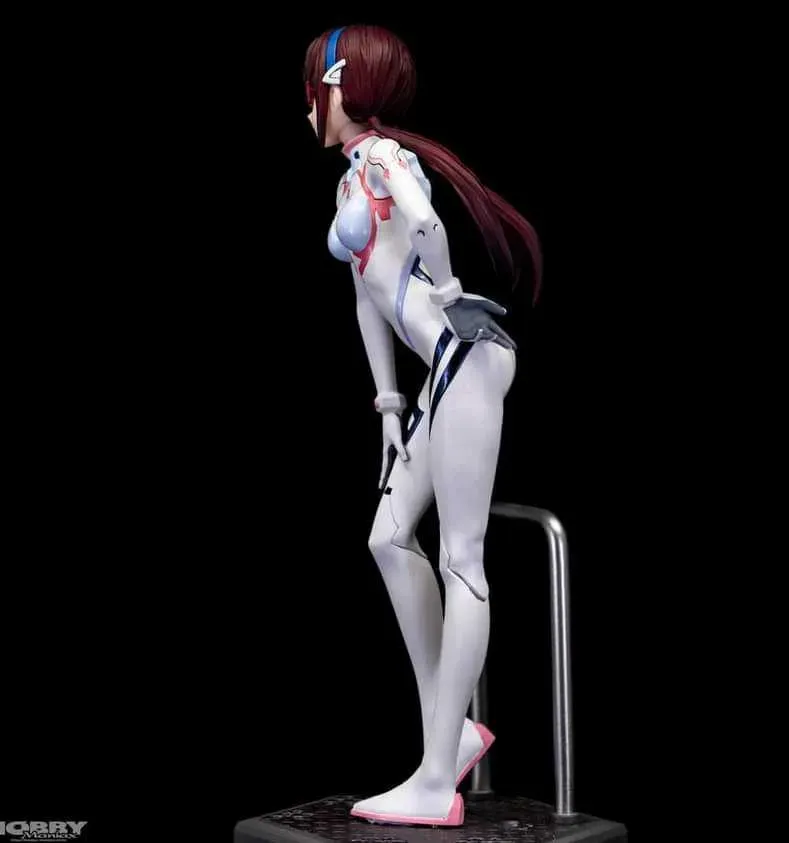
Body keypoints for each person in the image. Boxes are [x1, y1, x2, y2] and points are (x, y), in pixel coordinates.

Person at [303, 24, 542, 827]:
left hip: (466, 355)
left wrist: (443, 289)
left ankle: (438, 777)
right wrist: (387, 404)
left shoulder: (382, 158)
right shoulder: (352, 179)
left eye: (314, 86)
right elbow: (366, 297)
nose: (307, 104)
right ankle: (452, 729)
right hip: (440, 373)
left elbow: (427, 223)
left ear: (340, 86)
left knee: (461, 556)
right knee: (386, 537)